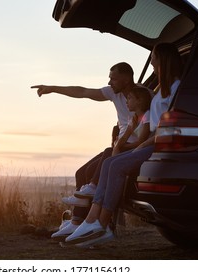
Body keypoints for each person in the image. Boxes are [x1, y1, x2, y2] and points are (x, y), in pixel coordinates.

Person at [64, 42, 184, 248]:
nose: (152, 60)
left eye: (154, 56)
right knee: (110, 163)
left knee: (115, 164)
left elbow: (167, 128)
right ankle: (93, 220)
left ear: (163, 60)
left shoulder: (174, 89)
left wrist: (141, 144)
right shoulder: (162, 90)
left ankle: (101, 224)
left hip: (156, 143)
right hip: (151, 142)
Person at [31, 62, 137, 240]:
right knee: (82, 173)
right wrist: (52, 88)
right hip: (119, 145)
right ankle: (75, 222)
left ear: (126, 79)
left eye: (113, 78)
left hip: (128, 147)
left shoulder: (142, 96)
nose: (109, 82)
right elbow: (83, 92)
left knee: (97, 165)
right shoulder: (113, 93)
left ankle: (94, 220)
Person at [53, 85, 153, 242]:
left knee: (108, 159)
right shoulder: (132, 118)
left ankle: (92, 207)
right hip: (122, 149)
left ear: (139, 100)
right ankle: (78, 220)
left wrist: (120, 146)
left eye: (130, 99)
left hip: (132, 150)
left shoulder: (146, 116)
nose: (127, 102)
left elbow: (138, 142)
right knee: (83, 172)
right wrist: (124, 137)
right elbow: (122, 141)